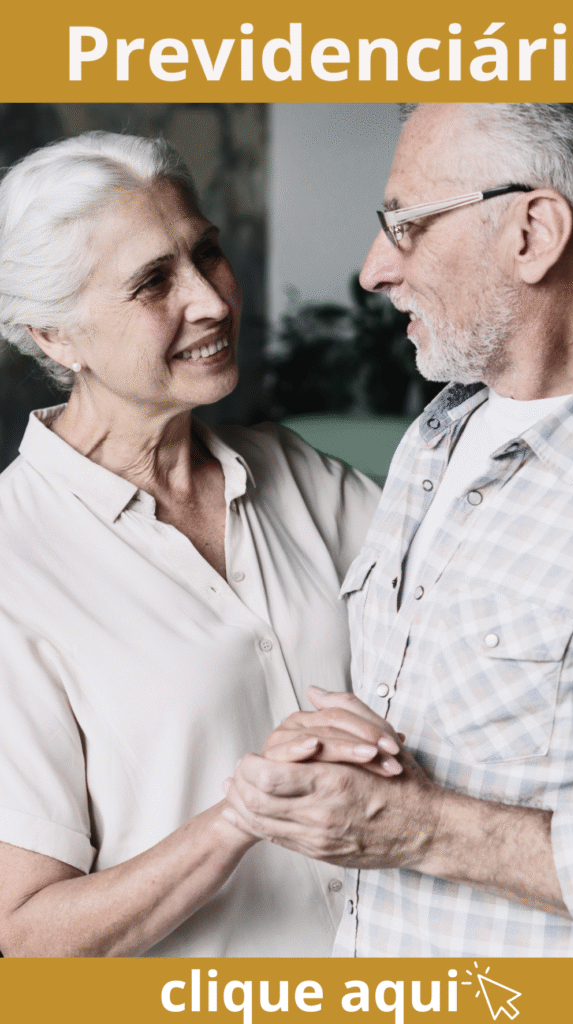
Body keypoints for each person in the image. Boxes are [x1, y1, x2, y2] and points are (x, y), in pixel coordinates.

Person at [225, 103, 573, 957]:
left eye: (405, 225)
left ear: (533, 233)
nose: (371, 271)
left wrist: (425, 831)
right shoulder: (440, 434)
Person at [0, 131, 384, 957]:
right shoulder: (13, 564)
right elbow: (31, 935)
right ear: (54, 336)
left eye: (206, 254)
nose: (210, 300)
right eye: (153, 283)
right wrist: (242, 815)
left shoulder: (297, 473)